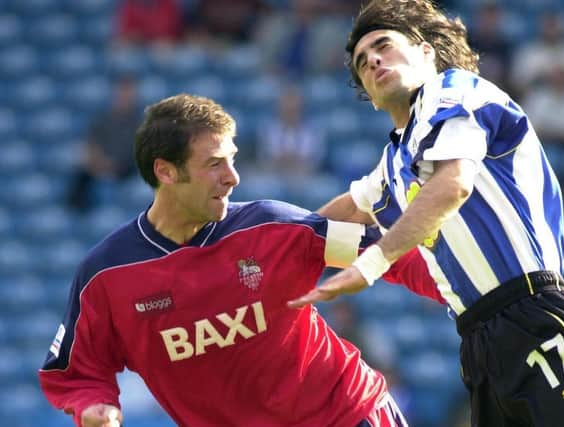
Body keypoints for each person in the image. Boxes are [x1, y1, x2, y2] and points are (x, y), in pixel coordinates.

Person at [287, 1, 564, 426]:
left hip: (534, 310)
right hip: (478, 344)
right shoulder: (392, 163)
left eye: (384, 45)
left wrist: (373, 263)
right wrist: (254, 246)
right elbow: (328, 222)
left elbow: (453, 185)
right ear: (370, 96)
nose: (374, 60)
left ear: (425, 52)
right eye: (363, 63)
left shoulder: (455, 91)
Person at [39, 94, 443, 427]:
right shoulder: (108, 276)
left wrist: (466, 291)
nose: (233, 177)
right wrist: (94, 405)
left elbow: (382, 252)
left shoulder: (272, 228)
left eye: (232, 160)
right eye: (214, 164)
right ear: (165, 171)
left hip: (345, 415)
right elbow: (76, 371)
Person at [66, 76, 141, 211]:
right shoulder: (103, 120)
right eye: (121, 92)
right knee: (80, 176)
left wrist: (115, 164)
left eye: (128, 92)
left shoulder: (140, 122)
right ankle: (78, 212)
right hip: (100, 167)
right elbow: (91, 144)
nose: (124, 97)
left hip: (129, 170)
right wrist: (99, 162)